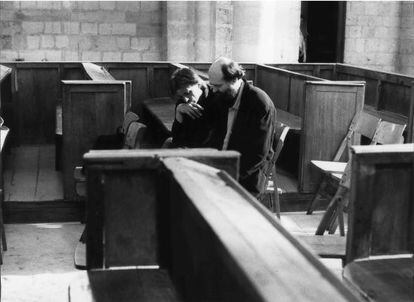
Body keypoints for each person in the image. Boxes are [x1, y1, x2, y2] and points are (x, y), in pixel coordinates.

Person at [206, 57, 277, 197]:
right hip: (223, 166)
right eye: (212, 85)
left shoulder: (259, 103)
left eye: (218, 86)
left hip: (247, 177)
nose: (214, 90)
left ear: (233, 80)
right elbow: (210, 134)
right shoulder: (223, 96)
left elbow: (257, 155)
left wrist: (228, 177)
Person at [170, 68, 214, 148]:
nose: (186, 99)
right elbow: (175, 139)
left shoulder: (213, 97)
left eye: (188, 93)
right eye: (181, 95)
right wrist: (178, 112)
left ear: (198, 84)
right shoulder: (182, 102)